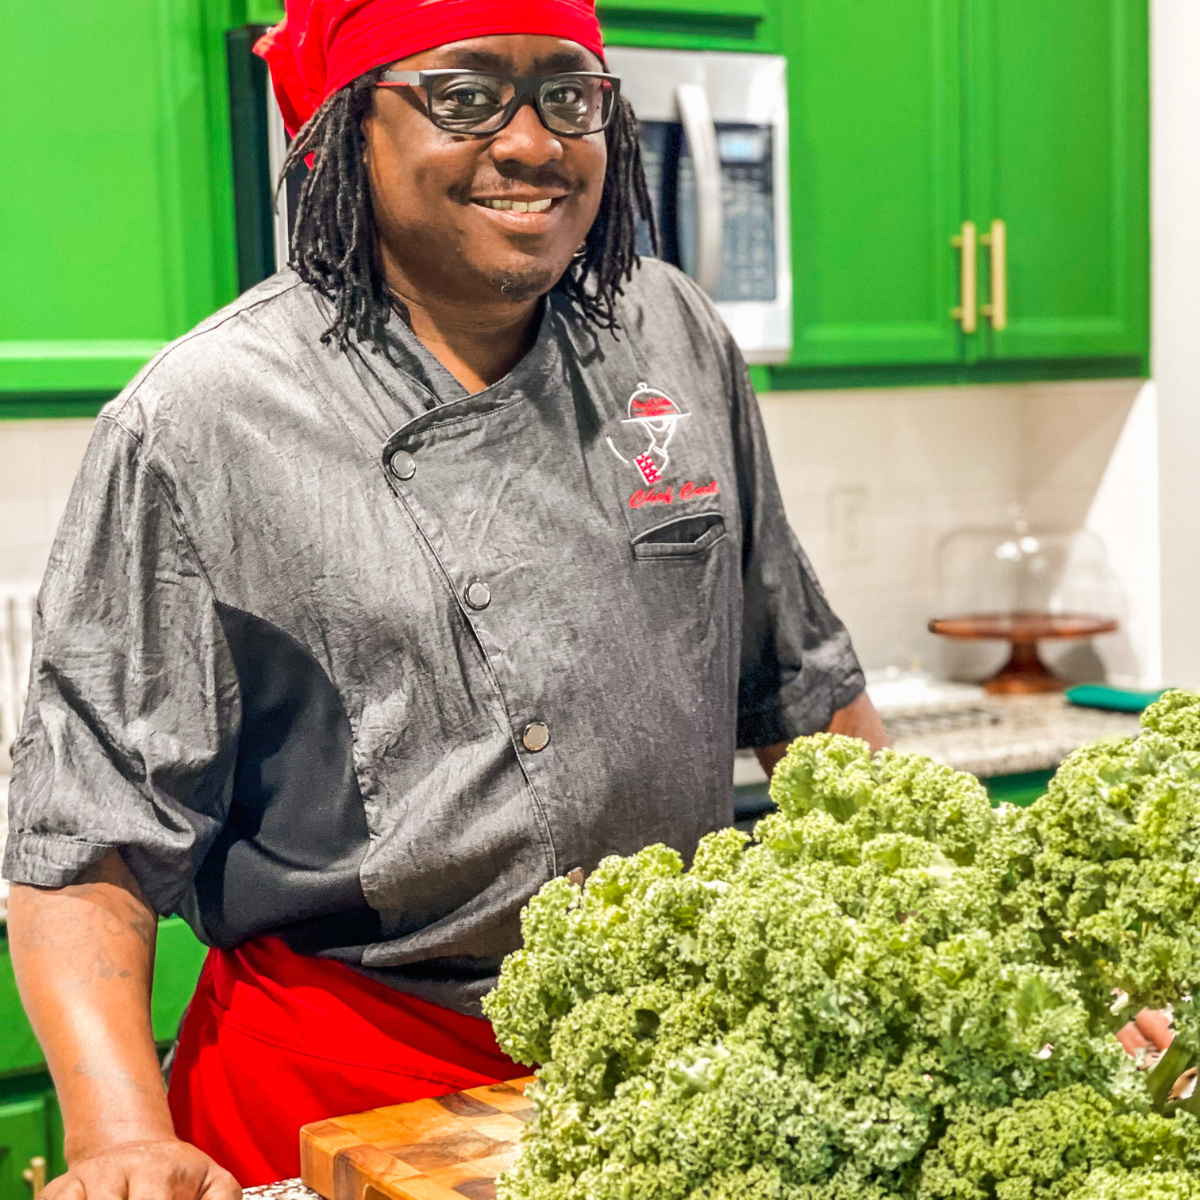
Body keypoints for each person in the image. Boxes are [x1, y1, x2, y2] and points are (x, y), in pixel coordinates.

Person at [3, 0, 886, 1194]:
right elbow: (88, 836)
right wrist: (117, 1137)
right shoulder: (204, 420)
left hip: (671, 1072)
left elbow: (802, 692)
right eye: (464, 96)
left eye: (569, 94)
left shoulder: (669, 335)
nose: (531, 144)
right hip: (356, 1087)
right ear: (338, 134)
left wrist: (957, 936)